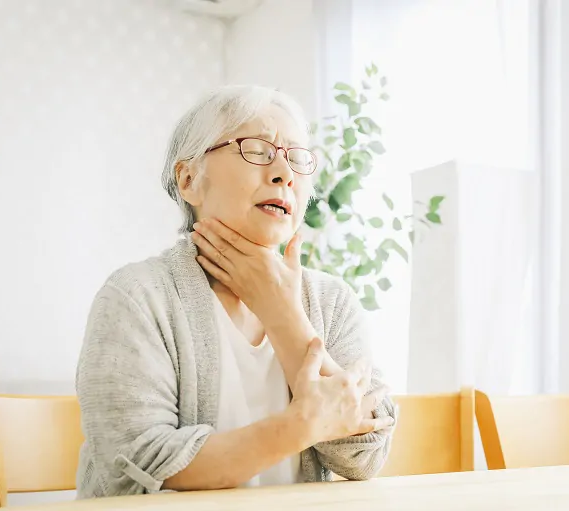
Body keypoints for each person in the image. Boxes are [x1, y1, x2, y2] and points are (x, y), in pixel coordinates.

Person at [75, 85, 397, 498]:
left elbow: (365, 455)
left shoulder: (332, 302)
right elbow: (135, 464)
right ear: (189, 179)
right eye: (257, 150)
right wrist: (304, 424)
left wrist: (284, 316)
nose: (284, 173)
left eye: (297, 159)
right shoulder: (137, 296)